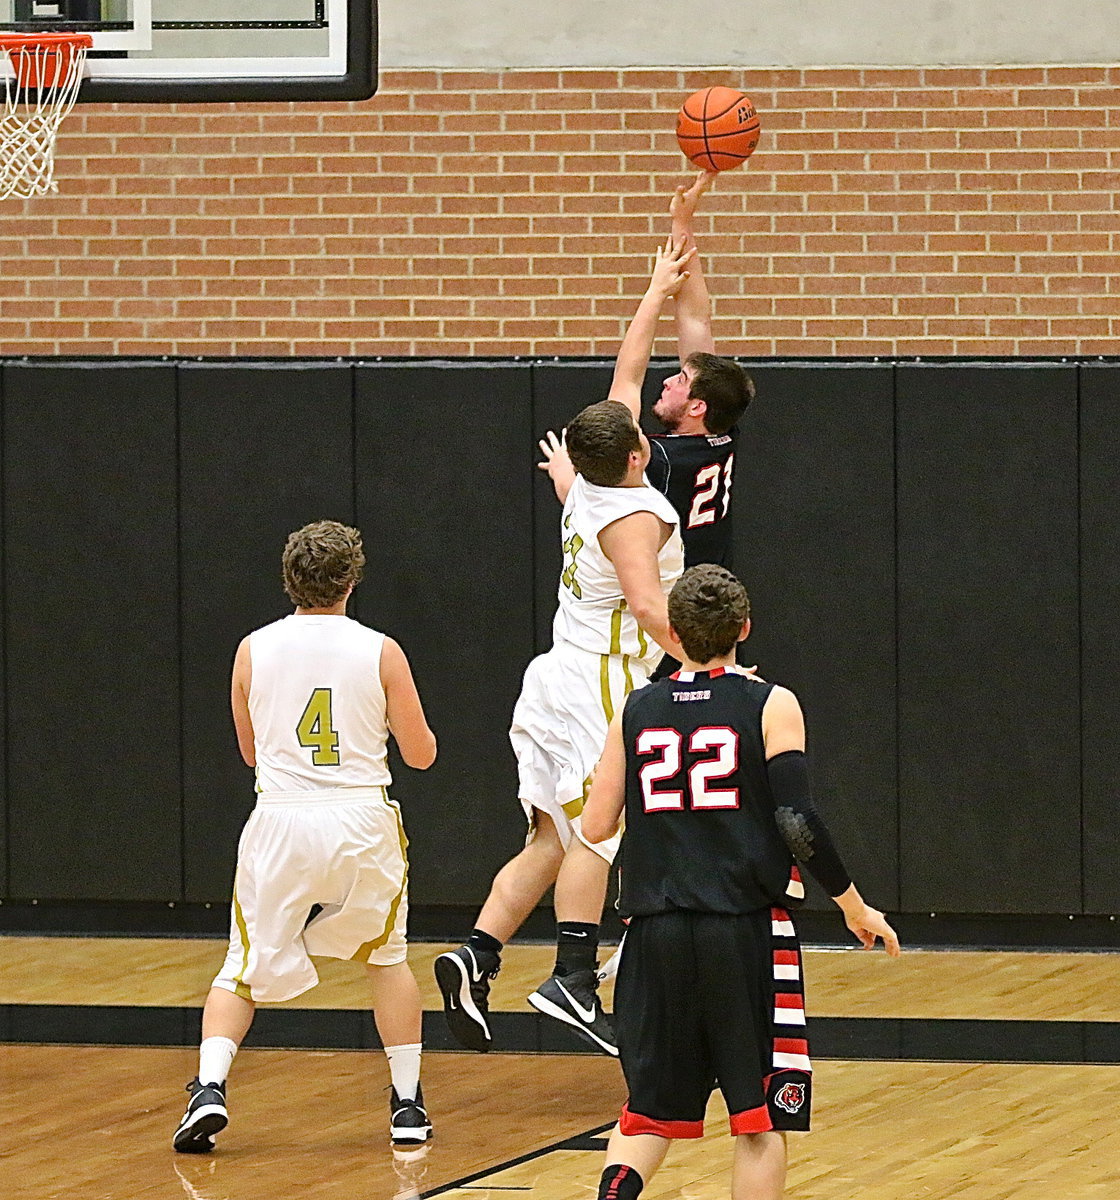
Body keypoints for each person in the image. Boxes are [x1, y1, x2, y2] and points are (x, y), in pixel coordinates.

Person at [434, 238, 695, 1057]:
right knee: (597, 835)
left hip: (551, 674)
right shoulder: (634, 514)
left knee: (549, 839)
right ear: (635, 453)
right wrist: (705, 665)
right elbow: (649, 607)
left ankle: (476, 955)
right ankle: (572, 979)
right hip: (600, 684)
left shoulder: (586, 482)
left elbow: (627, 371)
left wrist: (655, 290)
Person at [581, 563, 900, 1200]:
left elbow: (594, 823)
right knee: (758, 1118)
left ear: (673, 632)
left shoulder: (637, 708)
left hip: (654, 932)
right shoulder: (770, 703)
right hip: (743, 930)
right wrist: (853, 905)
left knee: (647, 1115)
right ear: (745, 628)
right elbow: (796, 818)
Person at [172, 520, 438, 1154]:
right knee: (387, 958)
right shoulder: (381, 649)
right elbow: (421, 755)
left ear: (289, 579)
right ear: (351, 580)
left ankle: (210, 1088)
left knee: (241, 966)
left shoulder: (252, 649)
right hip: (360, 820)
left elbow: (251, 753)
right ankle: (406, 1105)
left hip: (282, 820)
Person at [539, 171, 754, 576]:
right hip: (713, 588)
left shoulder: (662, 461)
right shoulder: (724, 431)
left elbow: (626, 384)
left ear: (697, 406)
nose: (669, 380)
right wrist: (682, 223)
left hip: (670, 596)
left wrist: (562, 468)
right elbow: (695, 319)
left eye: (681, 380)